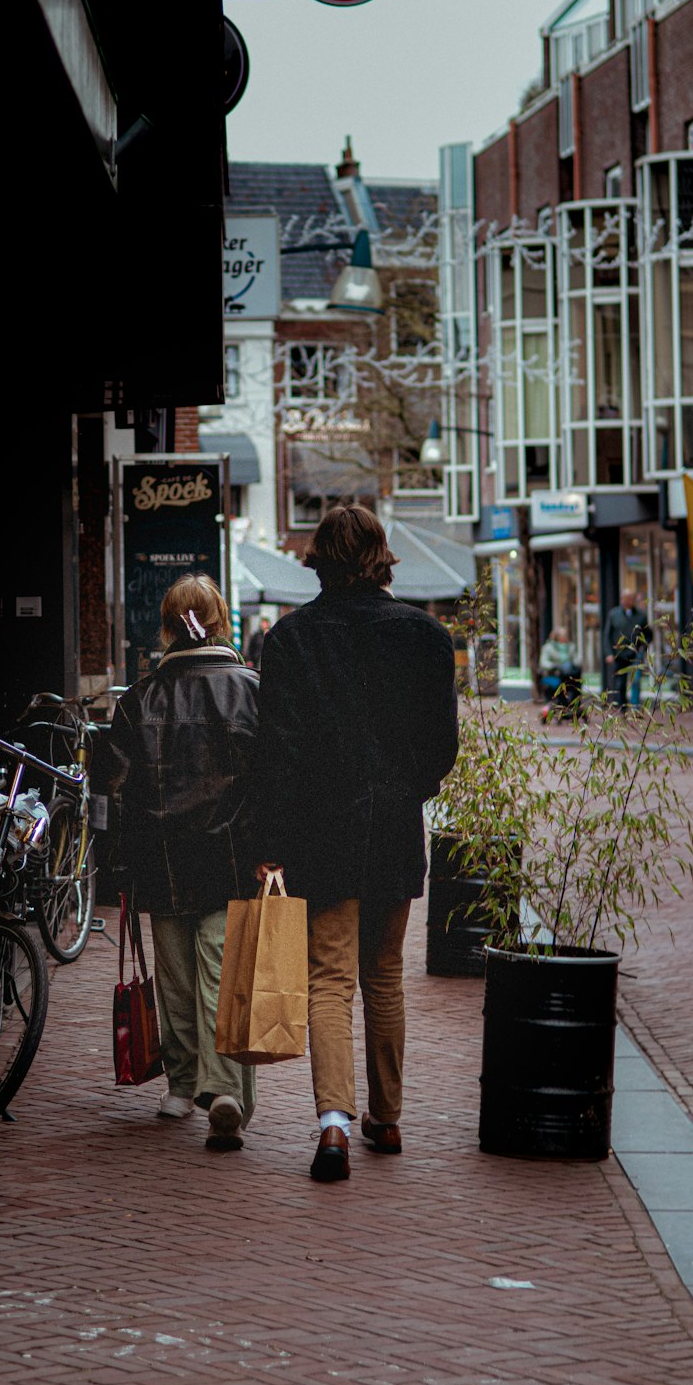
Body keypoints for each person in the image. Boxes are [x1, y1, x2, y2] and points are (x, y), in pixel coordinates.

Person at [255, 505, 459, 1182]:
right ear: (381, 555)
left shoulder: (289, 640)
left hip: (321, 830)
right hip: (395, 827)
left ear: (319, 558)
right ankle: (388, 1116)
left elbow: (276, 754)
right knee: (384, 976)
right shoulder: (426, 637)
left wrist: (275, 839)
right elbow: (441, 748)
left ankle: (334, 1125)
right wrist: (407, 791)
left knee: (329, 978)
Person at [106, 575, 258, 1151]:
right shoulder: (251, 690)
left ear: (167, 627)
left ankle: (180, 1085)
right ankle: (223, 1089)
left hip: (160, 861)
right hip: (233, 862)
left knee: (174, 978)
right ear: (221, 620)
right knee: (221, 977)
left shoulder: (138, 699)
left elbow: (115, 792)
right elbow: (271, 783)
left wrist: (118, 870)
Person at [603, 589, 651, 711]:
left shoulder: (641, 616)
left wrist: (643, 647)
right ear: (621, 599)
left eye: (631, 599)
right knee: (620, 683)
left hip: (635, 654)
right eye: (626, 598)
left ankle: (635, 707)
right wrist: (608, 653)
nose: (628, 601)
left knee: (635, 680)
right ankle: (622, 707)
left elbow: (649, 634)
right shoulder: (614, 614)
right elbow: (607, 635)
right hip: (619, 654)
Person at [539, 627, 583, 722]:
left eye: (566, 636)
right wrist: (555, 666)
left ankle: (573, 706)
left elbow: (577, 660)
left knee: (576, 682)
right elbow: (543, 662)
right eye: (563, 636)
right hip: (554, 675)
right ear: (557, 637)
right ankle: (563, 706)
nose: (565, 638)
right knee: (561, 680)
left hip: (570, 675)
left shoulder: (571, 647)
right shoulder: (548, 647)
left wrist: (575, 664)